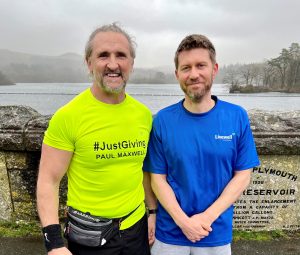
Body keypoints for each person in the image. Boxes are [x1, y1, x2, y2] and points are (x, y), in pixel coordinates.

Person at [36, 23, 156, 255]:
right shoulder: (68, 117)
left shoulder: (143, 115)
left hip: (136, 231)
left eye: (121, 55)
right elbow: (48, 181)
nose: (113, 64)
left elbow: (142, 170)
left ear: (131, 63)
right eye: (103, 55)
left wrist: (152, 212)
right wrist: (54, 243)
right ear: (89, 63)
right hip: (90, 237)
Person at [143, 34, 260, 255]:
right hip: (169, 234)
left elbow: (243, 174)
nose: (194, 74)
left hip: (214, 232)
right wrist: (184, 222)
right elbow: (157, 178)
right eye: (186, 68)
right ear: (177, 74)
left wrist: (205, 218)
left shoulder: (236, 117)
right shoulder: (162, 121)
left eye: (201, 65)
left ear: (214, 69)